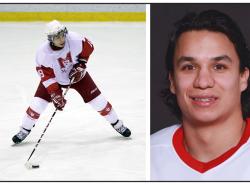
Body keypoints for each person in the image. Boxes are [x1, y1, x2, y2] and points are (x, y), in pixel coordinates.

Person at [151, 10, 250, 181]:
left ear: (243, 77)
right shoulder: (149, 157)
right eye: (189, 67)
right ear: (173, 81)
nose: (203, 82)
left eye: (219, 67)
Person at [12, 20, 131, 144]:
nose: (62, 38)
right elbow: (46, 76)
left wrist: (81, 63)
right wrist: (55, 93)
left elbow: (89, 47)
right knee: (37, 105)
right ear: (50, 38)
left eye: (63, 34)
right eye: (57, 37)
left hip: (79, 77)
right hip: (55, 80)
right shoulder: (43, 53)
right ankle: (24, 130)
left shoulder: (75, 39)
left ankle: (117, 124)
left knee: (100, 103)